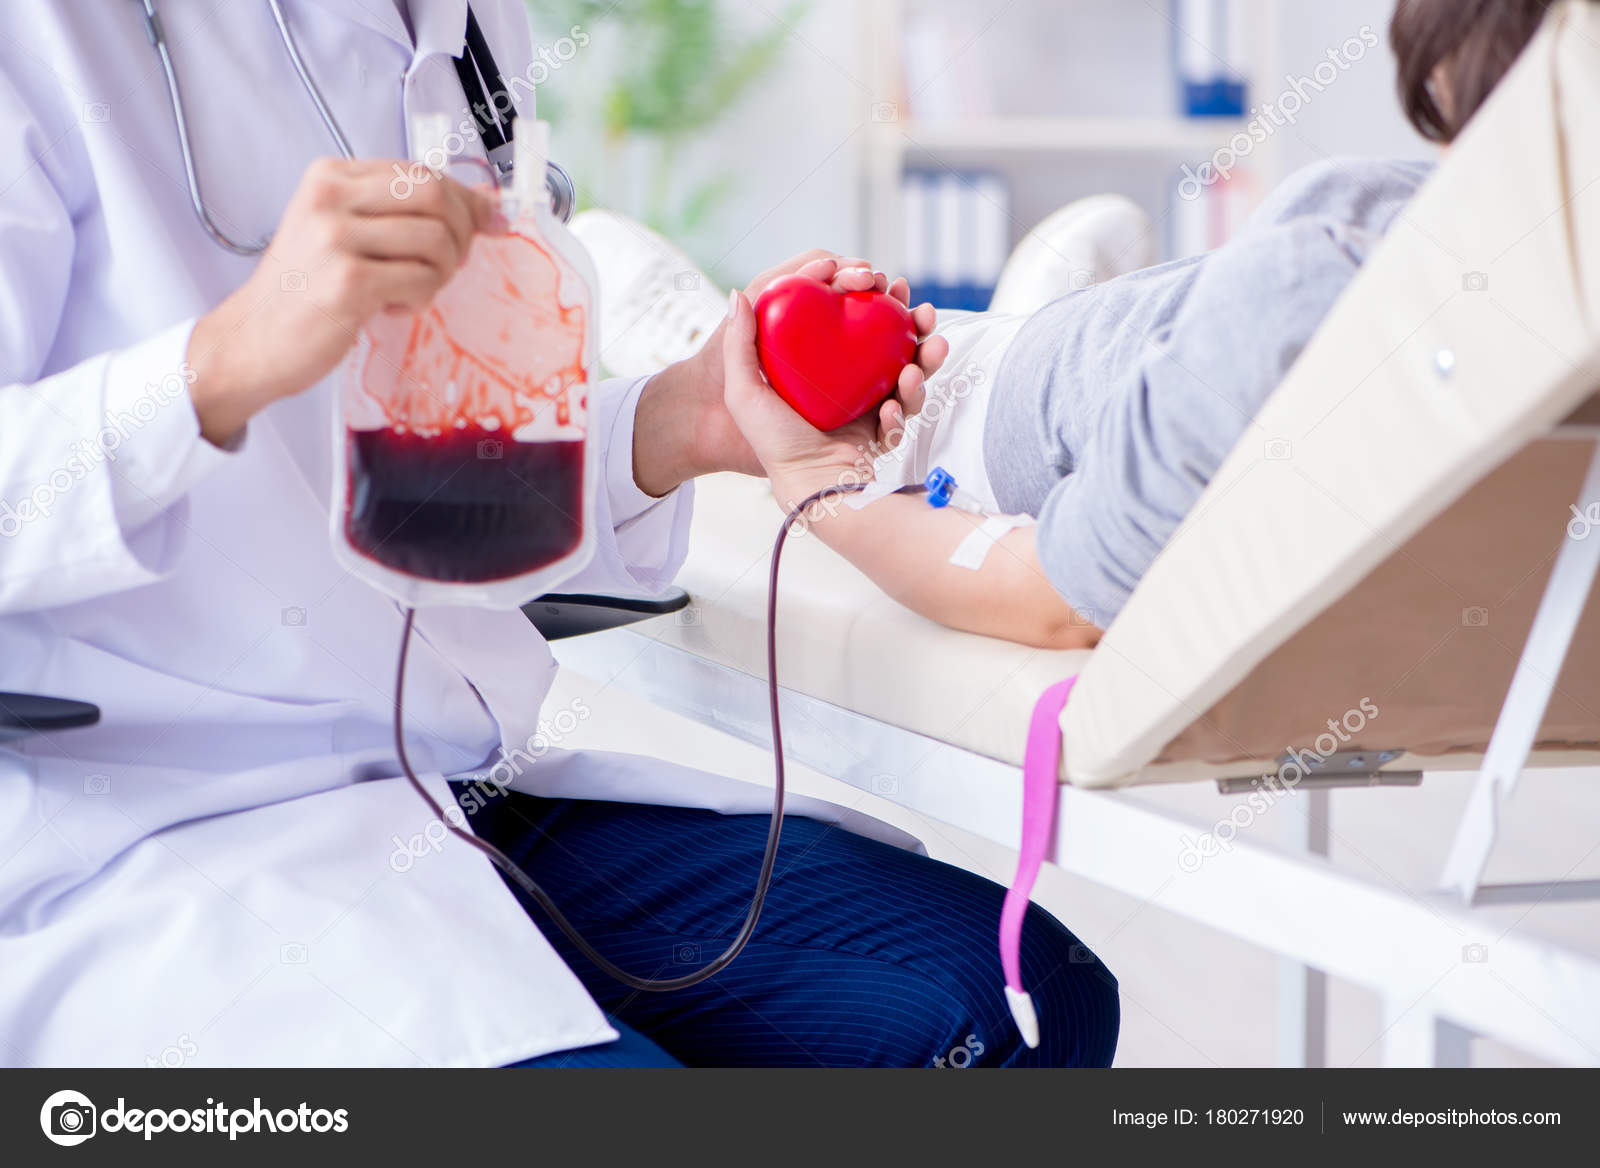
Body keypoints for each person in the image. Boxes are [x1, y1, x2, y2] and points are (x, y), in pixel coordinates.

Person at [0, 1, 1119, 1067]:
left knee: (1022, 994)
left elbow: (443, 477)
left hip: (456, 784)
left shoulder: (470, 27)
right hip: (158, 832)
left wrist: (684, 420)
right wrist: (219, 364)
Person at [723, 0, 1557, 652]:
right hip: (1116, 351)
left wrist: (813, 487)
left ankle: (714, 357)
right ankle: (1039, 305)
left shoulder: (1318, 273)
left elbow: (1058, 603)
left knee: (772, 385)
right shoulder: (1539, 303)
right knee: (1078, 322)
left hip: (1004, 425)